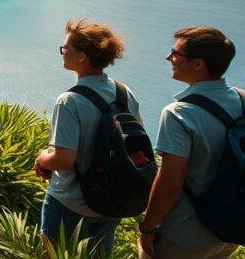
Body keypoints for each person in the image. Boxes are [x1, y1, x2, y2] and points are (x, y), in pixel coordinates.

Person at [33, 20, 138, 256]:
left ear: (81, 57)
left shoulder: (69, 101)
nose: (62, 52)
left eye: (65, 48)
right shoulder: (124, 92)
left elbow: (63, 159)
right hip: (111, 201)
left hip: (70, 202)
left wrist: (42, 159)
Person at [138, 27, 240, 259]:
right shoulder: (242, 100)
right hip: (229, 230)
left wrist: (148, 227)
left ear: (198, 64)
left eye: (175, 54)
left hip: (184, 234)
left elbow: (170, 183)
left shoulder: (179, 114)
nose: (168, 57)